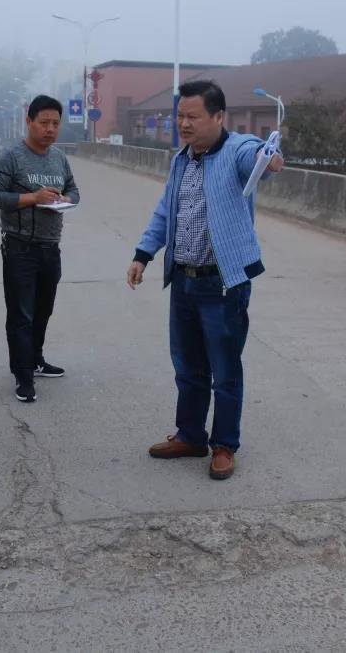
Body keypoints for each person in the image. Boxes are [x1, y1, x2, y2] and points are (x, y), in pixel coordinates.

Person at [126, 80, 284, 481]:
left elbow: (256, 155)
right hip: (184, 280)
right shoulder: (182, 160)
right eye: (180, 116)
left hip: (223, 283)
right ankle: (190, 435)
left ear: (218, 117)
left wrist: (269, 158)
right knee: (188, 367)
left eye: (193, 117)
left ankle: (224, 445)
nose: (184, 124)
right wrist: (144, 254)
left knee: (225, 370)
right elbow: (166, 210)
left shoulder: (236, 150)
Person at [0, 95, 80, 403]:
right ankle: (22, 375)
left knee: (43, 310)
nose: (50, 129)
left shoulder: (59, 158)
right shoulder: (9, 156)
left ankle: (36, 360)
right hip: (19, 247)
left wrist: (66, 198)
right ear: (29, 121)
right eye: (44, 123)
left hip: (51, 247)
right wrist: (33, 198)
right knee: (21, 315)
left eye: (55, 123)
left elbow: (73, 189)